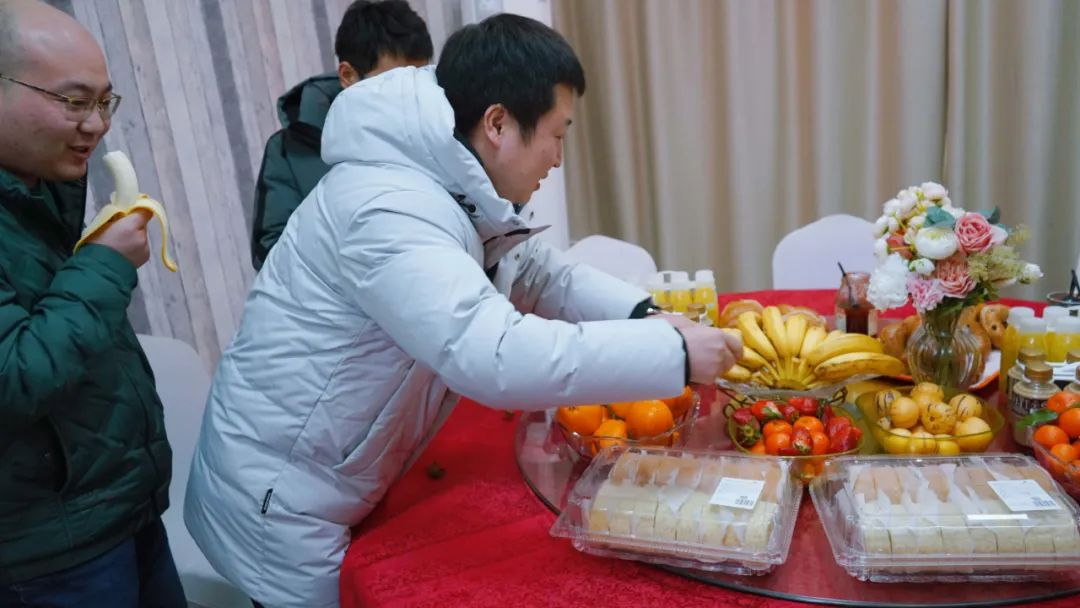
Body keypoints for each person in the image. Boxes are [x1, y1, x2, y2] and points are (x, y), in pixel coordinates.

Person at [185, 13, 741, 608]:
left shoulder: (449, 183)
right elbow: (494, 355)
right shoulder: (388, 208)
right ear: (497, 123)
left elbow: (536, 272)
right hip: (281, 499)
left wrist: (645, 314)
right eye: (556, 135)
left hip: (339, 473)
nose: (558, 158)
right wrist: (673, 353)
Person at [0, 1, 184, 606]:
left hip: (114, 509)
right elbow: (13, 376)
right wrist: (105, 264)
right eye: (75, 101)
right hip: (47, 552)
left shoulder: (36, 186)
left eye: (106, 102)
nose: (98, 125)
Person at [250, 0, 433, 269]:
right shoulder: (290, 151)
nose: (408, 99)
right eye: (392, 86)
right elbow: (272, 257)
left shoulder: (437, 135)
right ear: (348, 75)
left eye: (420, 82)